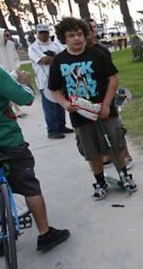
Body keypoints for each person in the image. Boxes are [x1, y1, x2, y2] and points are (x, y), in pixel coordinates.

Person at [0, 26, 70, 255]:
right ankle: (45, 234)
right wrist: (25, 82)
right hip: (7, 141)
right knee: (30, 187)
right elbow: (25, 99)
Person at [48, 18, 137, 200]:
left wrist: (106, 105)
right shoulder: (59, 61)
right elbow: (54, 89)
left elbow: (113, 79)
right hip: (79, 114)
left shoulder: (97, 54)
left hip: (105, 110)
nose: (77, 38)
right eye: (71, 35)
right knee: (91, 150)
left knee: (116, 143)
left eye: (79, 34)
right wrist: (65, 104)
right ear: (64, 38)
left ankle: (124, 175)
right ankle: (100, 182)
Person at [84, 18, 133, 170]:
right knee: (96, 130)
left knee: (116, 128)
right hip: (89, 97)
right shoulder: (80, 51)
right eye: (89, 28)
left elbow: (111, 76)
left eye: (94, 28)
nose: (93, 31)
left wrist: (111, 97)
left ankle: (125, 155)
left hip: (107, 96)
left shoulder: (102, 50)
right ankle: (105, 155)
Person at [28, 23, 72, 139]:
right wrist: (54, 58)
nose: (43, 35)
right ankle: (52, 129)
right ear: (37, 34)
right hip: (44, 80)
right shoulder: (33, 47)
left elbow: (65, 56)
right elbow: (43, 60)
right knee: (49, 105)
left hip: (58, 78)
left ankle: (61, 126)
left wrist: (52, 57)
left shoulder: (55, 45)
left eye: (45, 32)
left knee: (60, 103)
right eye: (41, 33)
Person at [0, 27, 26, 117]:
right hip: (2, 72)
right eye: (6, 35)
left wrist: (16, 68)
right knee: (7, 91)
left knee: (11, 90)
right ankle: (16, 110)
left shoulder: (11, 44)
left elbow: (15, 57)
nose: (8, 37)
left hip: (12, 70)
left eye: (8, 35)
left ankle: (12, 109)